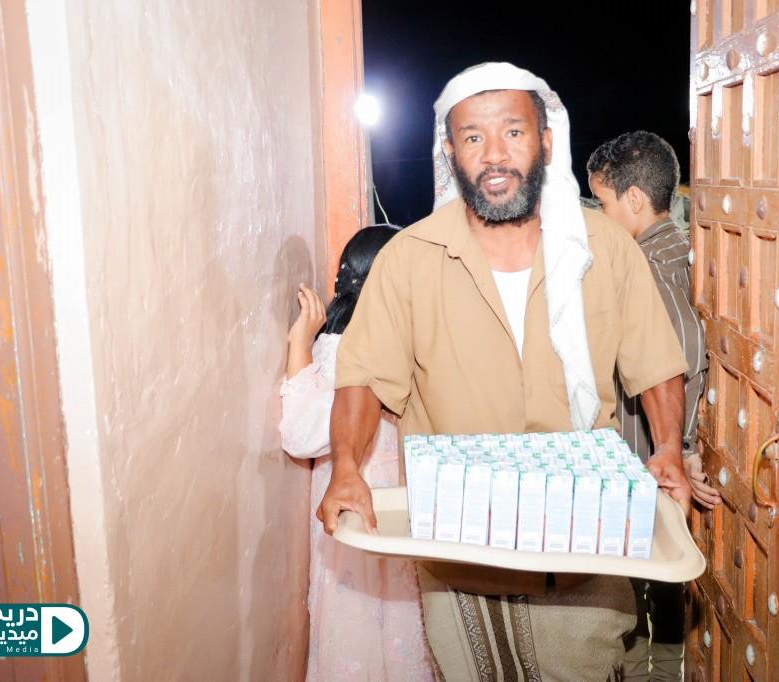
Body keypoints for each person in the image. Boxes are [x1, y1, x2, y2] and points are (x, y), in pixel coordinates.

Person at [318, 62, 692, 680]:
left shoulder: (604, 248)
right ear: (450, 151)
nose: (494, 154)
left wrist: (670, 448)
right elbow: (361, 376)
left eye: (513, 132)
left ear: (545, 139)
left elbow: (655, 363)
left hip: (583, 552)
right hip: (458, 555)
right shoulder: (409, 259)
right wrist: (346, 468)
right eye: (473, 137)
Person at [279, 225, 434, 681]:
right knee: (369, 630)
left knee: (385, 627)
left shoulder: (393, 343)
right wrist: (300, 346)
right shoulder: (343, 349)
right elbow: (303, 433)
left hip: (384, 509)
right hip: (357, 508)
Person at [588, 131, 716, 680]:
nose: (600, 215)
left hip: (649, 452)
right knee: (655, 584)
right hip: (653, 448)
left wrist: (678, 445)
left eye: (603, 202)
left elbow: (682, 352)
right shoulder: (673, 249)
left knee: (641, 584)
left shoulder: (649, 269)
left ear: (635, 199)